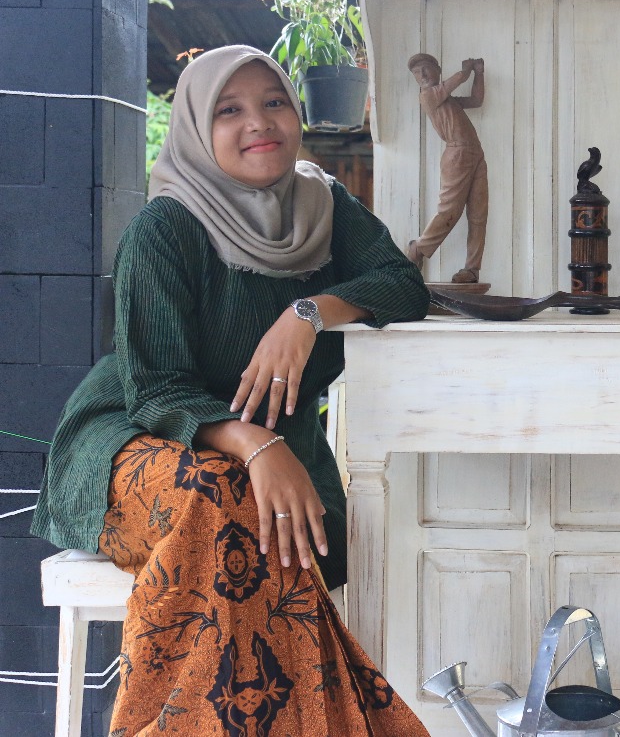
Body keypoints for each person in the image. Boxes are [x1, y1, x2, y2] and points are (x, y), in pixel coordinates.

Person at [31, 45, 434, 735]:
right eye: (229, 110)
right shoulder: (164, 228)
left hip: (269, 458)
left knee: (250, 521)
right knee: (220, 496)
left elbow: (403, 285)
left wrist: (308, 312)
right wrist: (256, 444)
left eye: (273, 101)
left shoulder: (323, 206)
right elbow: (156, 389)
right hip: (133, 440)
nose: (259, 122)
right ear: (196, 128)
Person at [405, 53, 488, 284]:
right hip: (457, 154)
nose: (422, 75)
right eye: (417, 72)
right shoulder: (428, 96)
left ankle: (472, 269)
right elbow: (455, 81)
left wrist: (479, 74)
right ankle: (418, 249)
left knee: (478, 215)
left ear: (438, 70)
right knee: (449, 210)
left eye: (426, 68)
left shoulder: (447, 99)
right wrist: (466, 70)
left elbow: (476, 100)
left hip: (475, 153)